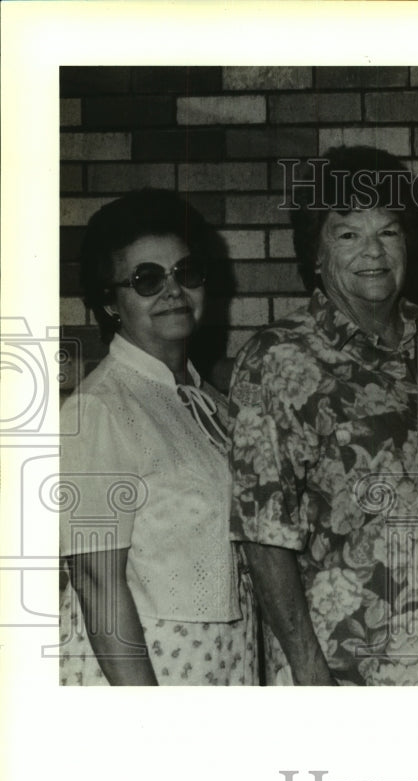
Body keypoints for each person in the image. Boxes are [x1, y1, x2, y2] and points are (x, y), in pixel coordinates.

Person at [228, 146, 418, 685]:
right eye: (348, 234)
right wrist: (309, 670)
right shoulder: (279, 359)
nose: (374, 251)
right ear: (315, 255)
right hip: (342, 665)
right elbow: (261, 533)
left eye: (388, 231)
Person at [59, 188, 257, 685]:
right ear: (110, 302)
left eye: (185, 273)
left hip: (226, 657)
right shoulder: (99, 410)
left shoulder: (210, 404)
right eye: (146, 279)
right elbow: (96, 581)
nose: (172, 291)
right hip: (147, 668)